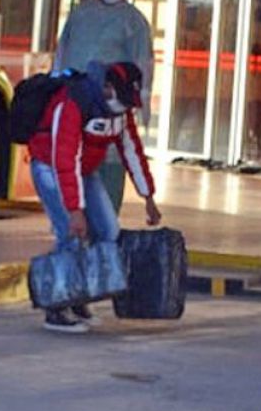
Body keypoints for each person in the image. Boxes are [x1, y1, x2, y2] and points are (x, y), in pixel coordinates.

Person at [27, 61, 161, 333]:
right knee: (70, 234)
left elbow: (132, 151)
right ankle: (56, 307)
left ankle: (79, 298)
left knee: (108, 231)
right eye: (122, 100)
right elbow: (64, 159)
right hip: (50, 166)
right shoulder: (74, 103)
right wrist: (75, 210)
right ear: (107, 88)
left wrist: (148, 196)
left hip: (84, 170)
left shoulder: (120, 112)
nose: (125, 108)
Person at [54, 0, 155, 209]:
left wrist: (143, 102)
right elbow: (63, 49)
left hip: (109, 110)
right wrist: (55, 83)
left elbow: (143, 64)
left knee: (108, 172)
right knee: (74, 163)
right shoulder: (81, 13)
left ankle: (104, 222)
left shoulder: (133, 22)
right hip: (76, 102)